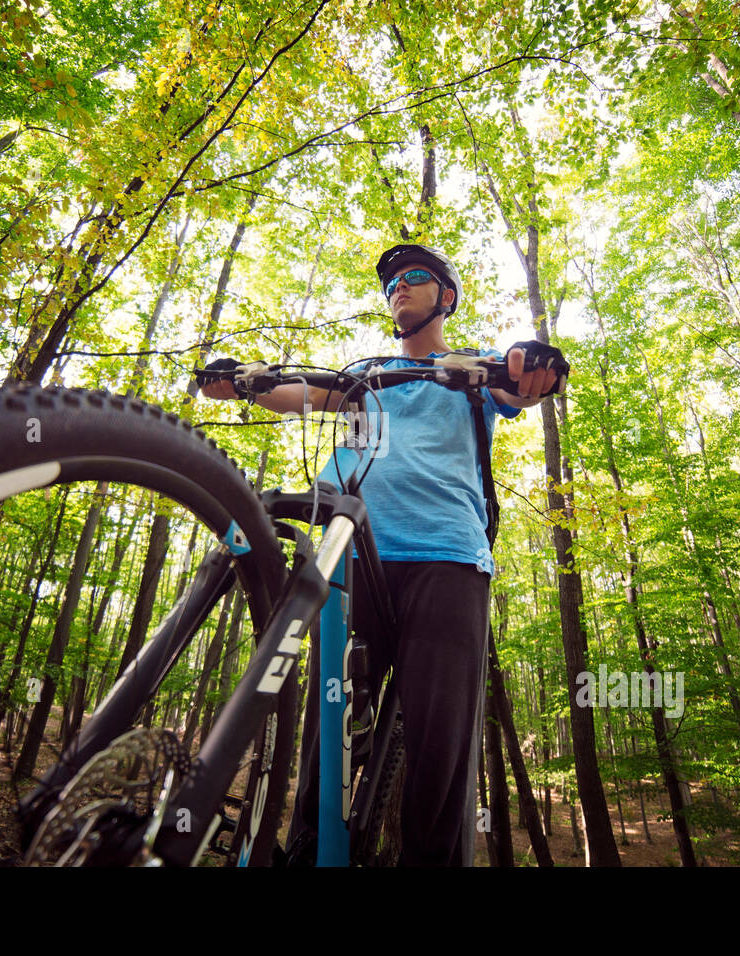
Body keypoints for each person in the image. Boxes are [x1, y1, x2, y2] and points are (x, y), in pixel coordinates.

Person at [201, 244, 567, 865]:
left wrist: (537, 363)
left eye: (415, 277)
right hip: (352, 549)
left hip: (446, 556)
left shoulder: (469, 370)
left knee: (441, 744)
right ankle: (313, 852)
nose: (399, 286)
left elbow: (524, 382)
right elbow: (299, 394)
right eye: (392, 281)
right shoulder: (362, 378)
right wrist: (244, 382)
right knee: (329, 727)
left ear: (446, 297)